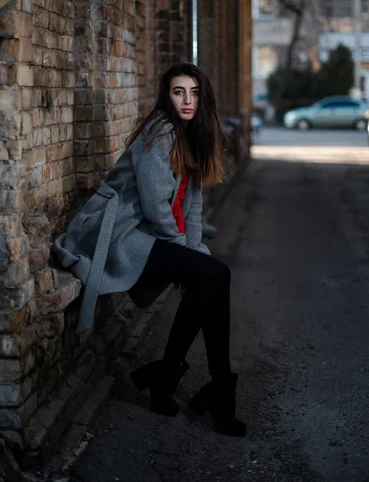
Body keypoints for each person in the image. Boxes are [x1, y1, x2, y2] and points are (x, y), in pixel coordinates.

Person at [53, 63, 246, 437]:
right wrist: (185, 258)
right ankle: (195, 385)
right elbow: (157, 206)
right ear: (167, 96)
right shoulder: (161, 132)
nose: (187, 100)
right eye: (178, 92)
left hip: (150, 233)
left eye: (194, 92)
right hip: (120, 232)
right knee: (213, 275)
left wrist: (192, 253)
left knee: (211, 278)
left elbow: (191, 207)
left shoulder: (194, 136)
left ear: (202, 98)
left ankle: (195, 383)